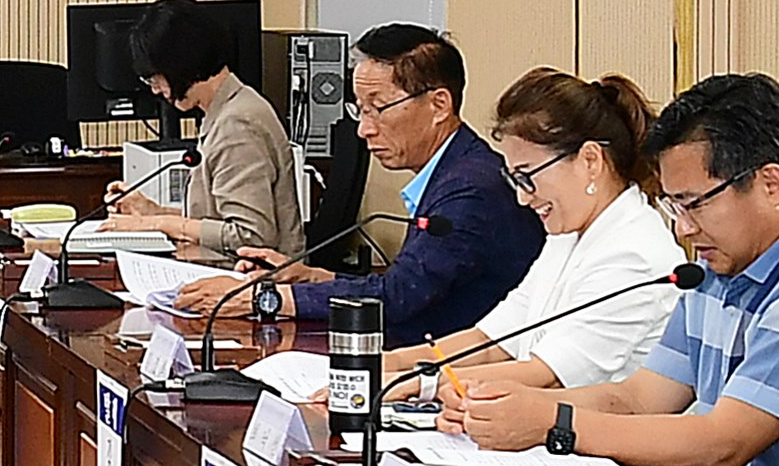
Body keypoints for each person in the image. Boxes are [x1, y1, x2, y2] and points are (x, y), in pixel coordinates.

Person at [451, 71, 779, 466]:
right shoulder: (718, 267)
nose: (683, 227)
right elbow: (640, 398)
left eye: (693, 203)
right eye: (672, 205)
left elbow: (723, 444)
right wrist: (499, 401)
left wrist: (552, 422)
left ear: (771, 184)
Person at [178, 22, 532, 344]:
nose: (364, 129)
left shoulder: (470, 191)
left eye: (378, 108)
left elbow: (397, 298)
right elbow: (402, 287)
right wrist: (310, 277)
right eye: (360, 110)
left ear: (439, 104)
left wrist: (266, 299)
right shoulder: (457, 170)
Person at [393, 67, 677, 396]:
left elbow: (548, 375)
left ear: (590, 160)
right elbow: (488, 343)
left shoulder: (633, 255)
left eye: (527, 176)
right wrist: (384, 363)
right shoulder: (567, 235)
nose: (522, 198)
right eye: (514, 180)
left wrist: (410, 385)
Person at [88, 0, 296, 264]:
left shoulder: (237, 124)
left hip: (251, 284)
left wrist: (157, 224)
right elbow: (217, 222)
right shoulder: (226, 109)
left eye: (155, 77)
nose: (154, 89)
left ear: (179, 65)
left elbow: (250, 236)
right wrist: (151, 213)